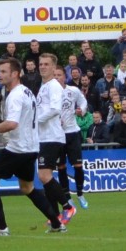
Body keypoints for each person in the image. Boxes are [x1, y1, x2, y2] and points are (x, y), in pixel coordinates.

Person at [0, 57, 67, 236]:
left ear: (15, 74)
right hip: (31, 148)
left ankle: (1, 228)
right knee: (27, 188)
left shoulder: (15, 95)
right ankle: (57, 223)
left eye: (3, 72)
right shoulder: (26, 91)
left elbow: (12, 124)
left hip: (17, 148)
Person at [34, 52, 76, 226]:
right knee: (46, 176)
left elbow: (55, 109)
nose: (42, 66)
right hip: (43, 137)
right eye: (41, 64)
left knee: (44, 176)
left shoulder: (54, 86)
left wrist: (35, 120)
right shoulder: (43, 86)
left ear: (53, 67)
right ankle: (54, 216)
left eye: (46, 64)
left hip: (52, 137)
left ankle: (68, 207)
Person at [54, 67, 90, 209]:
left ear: (65, 77)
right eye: (54, 75)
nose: (57, 77)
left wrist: (82, 109)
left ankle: (80, 193)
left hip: (73, 133)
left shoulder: (73, 90)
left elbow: (83, 102)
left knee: (78, 165)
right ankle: (67, 197)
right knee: (61, 166)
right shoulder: (48, 93)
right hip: (58, 135)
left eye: (59, 75)